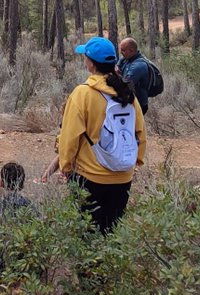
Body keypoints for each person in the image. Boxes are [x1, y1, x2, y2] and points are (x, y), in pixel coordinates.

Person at [42, 36, 145, 234]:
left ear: (90, 63)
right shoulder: (125, 93)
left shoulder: (82, 94)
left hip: (90, 177)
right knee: (111, 234)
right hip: (123, 177)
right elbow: (140, 133)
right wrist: (135, 162)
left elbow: (69, 137)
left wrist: (66, 167)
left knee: (87, 236)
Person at [116, 37, 152, 114]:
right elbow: (118, 65)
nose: (121, 52)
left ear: (131, 51)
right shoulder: (126, 58)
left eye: (123, 50)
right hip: (130, 102)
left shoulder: (139, 66)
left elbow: (124, 84)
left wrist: (115, 73)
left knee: (135, 126)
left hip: (138, 105)